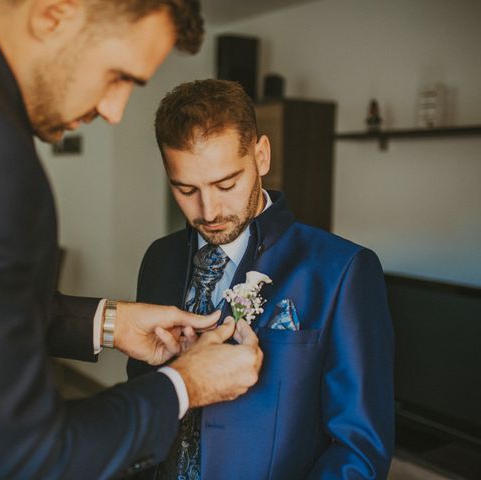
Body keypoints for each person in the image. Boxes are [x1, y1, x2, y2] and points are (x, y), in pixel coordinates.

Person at [0, 1, 264, 478]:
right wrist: (184, 384)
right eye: (117, 76)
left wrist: (109, 322)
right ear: (55, 13)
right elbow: (26, 457)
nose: (114, 110)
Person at [128, 79, 395, 479]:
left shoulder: (342, 271)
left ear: (262, 156)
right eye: (186, 189)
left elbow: (359, 450)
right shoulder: (157, 259)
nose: (209, 210)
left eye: (226, 184)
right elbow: (145, 395)